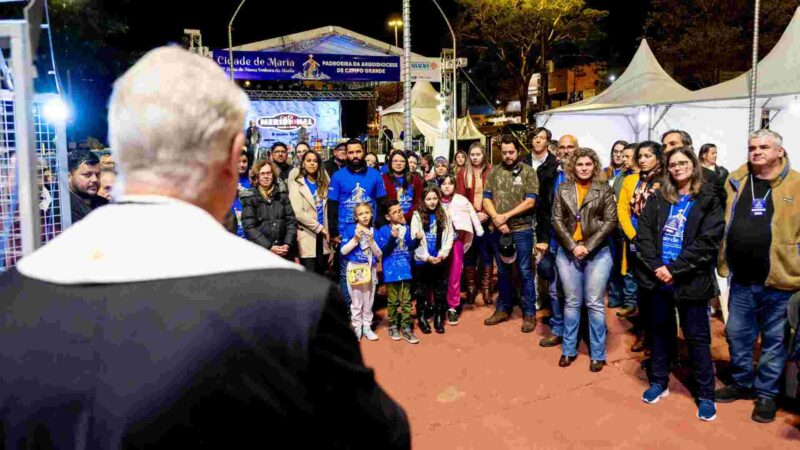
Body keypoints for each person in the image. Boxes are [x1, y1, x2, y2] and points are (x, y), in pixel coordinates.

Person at [1, 46, 409, 448]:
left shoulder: (10, 294)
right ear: (234, 158)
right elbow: (382, 436)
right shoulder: (298, 304)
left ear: (119, 150)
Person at [715, 129, 800, 424]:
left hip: (781, 280)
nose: (756, 152)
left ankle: (766, 394)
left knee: (774, 341)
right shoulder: (736, 181)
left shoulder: (798, 184)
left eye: (764, 147)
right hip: (741, 279)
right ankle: (741, 382)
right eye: (752, 147)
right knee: (737, 334)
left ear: (780, 151)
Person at [636, 146, 724, 421]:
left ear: (694, 165)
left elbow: (708, 242)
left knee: (697, 339)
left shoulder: (708, 198)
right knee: (660, 332)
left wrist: (674, 269)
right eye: (673, 164)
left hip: (691, 279)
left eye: (683, 163)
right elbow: (645, 235)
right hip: (659, 278)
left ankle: (706, 395)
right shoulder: (659, 197)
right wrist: (658, 268)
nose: (678, 168)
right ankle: (659, 382)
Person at [552, 148, 617, 372]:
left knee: (594, 302)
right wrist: (573, 246)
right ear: (573, 167)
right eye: (580, 165)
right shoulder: (563, 189)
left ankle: (597, 354)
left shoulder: (604, 188)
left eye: (588, 164)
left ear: (594, 166)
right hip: (568, 251)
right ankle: (568, 350)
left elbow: (610, 222)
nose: (584, 168)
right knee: (571, 302)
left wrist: (587, 247)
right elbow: (556, 220)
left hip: (598, 253)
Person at [482, 134, 539, 333]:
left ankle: (530, 312)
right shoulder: (494, 172)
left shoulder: (529, 172)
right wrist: (497, 218)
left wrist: (505, 216)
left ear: (518, 151)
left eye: (511, 152)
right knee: (503, 271)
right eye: (504, 152)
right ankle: (503, 308)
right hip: (499, 230)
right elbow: (486, 199)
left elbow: (531, 201)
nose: (507, 156)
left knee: (524, 271)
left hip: (522, 229)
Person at [328, 138, 388, 313]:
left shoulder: (375, 175)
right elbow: (332, 204)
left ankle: (368, 311)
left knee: (369, 271)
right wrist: (333, 231)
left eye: (358, 152)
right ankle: (350, 311)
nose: (354, 156)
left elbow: (382, 202)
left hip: (369, 232)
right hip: (346, 232)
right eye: (351, 152)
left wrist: (380, 230)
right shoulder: (338, 176)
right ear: (346, 154)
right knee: (346, 273)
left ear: (364, 152)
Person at [618, 141, 665, 353]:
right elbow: (623, 209)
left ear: (658, 158)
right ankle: (644, 333)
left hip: (659, 243)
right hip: (637, 239)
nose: (643, 160)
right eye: (641, 156)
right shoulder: (635, 180)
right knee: (642, 290)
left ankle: (660, 339)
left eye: (648, 156)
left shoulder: (666, 180)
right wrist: (634, 236)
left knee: (659, 293)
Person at [538, 134, 578, 347]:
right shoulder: (550, 174)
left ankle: (577, 331)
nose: (565, 151)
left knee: (576, 292)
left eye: (570, 147)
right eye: (562, 147)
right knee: (554, 290)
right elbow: (543, 208)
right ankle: (558, 328)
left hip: (578, 243)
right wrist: (543, 238)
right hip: (554, 242)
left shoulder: (585, 173)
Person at [440, 174, 484, 324]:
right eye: (444, 183)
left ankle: (452, 306)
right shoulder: (433, 199)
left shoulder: (461, 200)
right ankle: (435, 304)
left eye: (450, 183)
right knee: (436, 273)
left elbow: (471, 214)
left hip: (456, 242)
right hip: (437, 243)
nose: (447, 186)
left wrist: (478, 230)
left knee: (455, 273)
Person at [377, 200, 421, 344]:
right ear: (388, 217)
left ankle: (406, 328)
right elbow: (384, 251)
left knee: (407, 301)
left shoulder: (406, 228)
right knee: (393, 301)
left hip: (405, 270)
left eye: (400, 210)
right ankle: (393, 326)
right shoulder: (383, 230)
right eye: (394, 212)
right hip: (391, 272)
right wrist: (392, 237)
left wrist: (417, 240)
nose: (399, 214)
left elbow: (409, 247)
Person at [411, 185, 454, 334]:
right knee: (421, 291)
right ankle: (422, 317)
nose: (432, 202)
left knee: (439, 291)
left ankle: (438, 318)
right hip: (423, 260)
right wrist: (426, 257)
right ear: (423, 200)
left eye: (435, 198)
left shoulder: (445, 214)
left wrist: (443, 253)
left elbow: (449, 236)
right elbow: (414, 238)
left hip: (439, 258)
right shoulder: (417, 215)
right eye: (428, 199)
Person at [456, 141, 494, 306]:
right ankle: (471, 288)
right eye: (472, 155)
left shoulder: (492, 171)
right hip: (469, 219)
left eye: (478, 154)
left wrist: (485, 213)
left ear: (483, 155)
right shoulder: (463, 172)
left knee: (486, 253)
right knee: (469, 253)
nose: (475, 157)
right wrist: (474, 215)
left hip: (488, 217)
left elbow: (496, 195)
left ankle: (486, 288)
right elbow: (461, 197)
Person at [341, 202, 383, 341]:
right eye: (360, 214)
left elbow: (379, 254)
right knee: (356, 301)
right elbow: (343, 251)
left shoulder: (374, 232)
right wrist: (355, 239)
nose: (364, 216)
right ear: (356, 216)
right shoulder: (350, 229)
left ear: (371, 214)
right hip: (354, 269)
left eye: (367, 213)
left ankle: (367, 327)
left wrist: (371, 241)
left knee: (369, 300)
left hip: (369, 269)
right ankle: (357, 327)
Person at [241, 160, 297, 260]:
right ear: (257, 177)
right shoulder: (249, 197)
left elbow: (291, 222)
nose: (266, 176)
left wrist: (287, 243)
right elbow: (249, 227)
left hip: (284, 250)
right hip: (261, 252)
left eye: (268, 173)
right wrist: (269, 247)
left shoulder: (282, 194)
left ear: (273, 175)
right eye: (262, 174)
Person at [288, 149, 331, 275]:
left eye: (315, 161)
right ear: (303, 163)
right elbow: (298, 212)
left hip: (324, 238)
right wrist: (319, 228)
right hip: (307, 236)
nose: (312, 163)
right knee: (310, 276)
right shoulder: (297, 183)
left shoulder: (325, 183)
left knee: (323, 275)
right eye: (308, 161)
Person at [607, 142, 639, 311]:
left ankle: (630, 303)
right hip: (616, 227)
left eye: (627, 156)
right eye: (619, 153)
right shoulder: (618, 175)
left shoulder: (639, 178)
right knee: (615, 264)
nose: (622, 158)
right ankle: (616, 297)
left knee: (629, 268)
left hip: (632, 229)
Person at [662, 129, 725, 205]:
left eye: (673, 144)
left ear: (688, 146)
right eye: (664, 146)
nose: (667, 149)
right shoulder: (660, 176)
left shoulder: (710, 177)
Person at [68, 149, 109, 224]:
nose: (95, 179)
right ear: (69, 177)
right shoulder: (61, 211)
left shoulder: (105, 204)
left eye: (97, 174)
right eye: (87, 175)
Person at [382, 149, 423, 223]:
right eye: (395, 161)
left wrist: (406, 217)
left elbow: (417, 202)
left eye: (402, 161)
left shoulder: (416, 180)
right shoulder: (383, 179)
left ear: (406, 163)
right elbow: (382, 203)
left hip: (410, 220)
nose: (398, 163)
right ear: (390, 162)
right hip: (390, 221)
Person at [230, 147, 253, 237]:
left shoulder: (253, 179)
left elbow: (257, 195)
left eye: (244, 161)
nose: (242, 165)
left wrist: (242, 191)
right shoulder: (225, 180)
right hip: (231, 229)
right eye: (238, 161)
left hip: (249, 229)